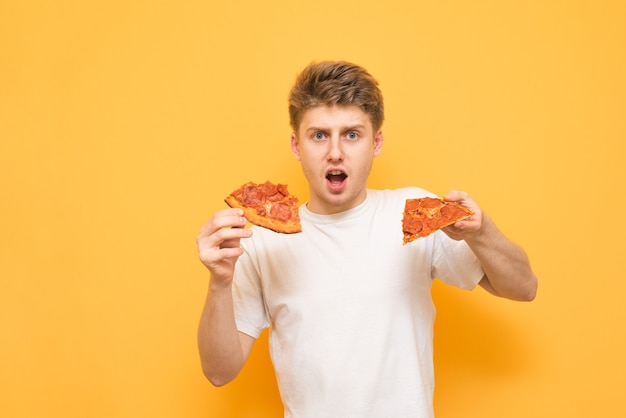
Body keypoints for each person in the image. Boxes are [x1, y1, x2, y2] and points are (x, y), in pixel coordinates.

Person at [196, 61, 538, 418]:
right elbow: (219, 372)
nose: (335, 152)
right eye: (319, 135)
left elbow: (524, 287)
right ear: (296, 146)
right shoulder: (262, 239)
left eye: (352, 134)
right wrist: (219, 282)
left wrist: (482, 232)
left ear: (376, 143)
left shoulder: (412, 214)